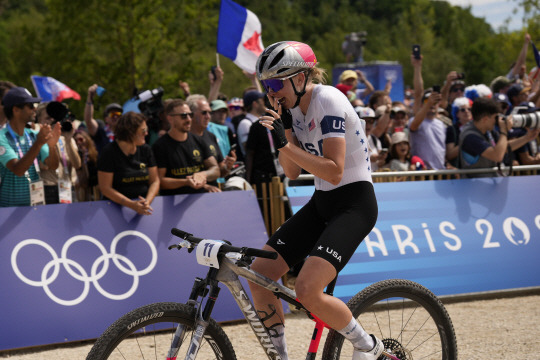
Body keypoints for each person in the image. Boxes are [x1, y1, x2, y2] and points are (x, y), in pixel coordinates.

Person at [249, 41, 382, 360]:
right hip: (322, 203)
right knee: (259, 276)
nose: (270, 91)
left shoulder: (329, 99)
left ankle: (368, 346)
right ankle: (280, 356)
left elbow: (335, 171)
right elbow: (293, 172)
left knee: (307, 290)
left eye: (275, 83)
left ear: (300, 78)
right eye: (265, 85)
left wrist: (285, 141)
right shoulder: (291, 111)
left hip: (354, 204)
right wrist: (282, 136)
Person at [0, 87, 61, 207]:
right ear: (16, 109)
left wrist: (52, 146)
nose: (35, 108)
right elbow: (18, 170)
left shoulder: (34, 135)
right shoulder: (2, 137)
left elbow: (52, 165)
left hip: (34, 208)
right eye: (30, 105)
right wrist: (38, 144)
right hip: (7, 210)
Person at [152, 99, 221, 195]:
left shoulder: (199, 141)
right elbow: (160, 181)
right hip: (173, 202)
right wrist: (186, 182)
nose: (189, 119)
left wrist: (202, 174)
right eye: (183, 116)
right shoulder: (160, 146)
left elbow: (215, 170)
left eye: (190, 115)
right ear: (170, 119)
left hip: (200, 199)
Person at [97, 111, 159, 215]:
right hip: (114, 209)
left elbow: (155, 181)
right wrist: (131, 205)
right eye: (143, 130)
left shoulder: (146, 150)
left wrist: (147, 202)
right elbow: (105, 188)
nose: (146, 133)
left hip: (143, 208)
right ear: (131, 132)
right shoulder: (109, 152)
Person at [458, 97, 537, 178]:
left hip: (488, 182)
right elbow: (497, 156)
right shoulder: (470, 136)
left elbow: (503, 148)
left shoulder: (487, 130)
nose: (497, 120)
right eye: (495, 117)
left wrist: (527, 137)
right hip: (474, 185)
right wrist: (504, 131)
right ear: (485, 119)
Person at [36, 103, 81, 204]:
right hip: (47, 187)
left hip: (67, 187)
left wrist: (69, 140)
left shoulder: (65, 137)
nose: (52, 120)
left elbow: (77, 165)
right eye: (48, 118)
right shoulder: (36, 138)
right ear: (39, 119)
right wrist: (50, 140)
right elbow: (45, 166)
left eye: (54, 118)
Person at [187, 94, 236, 182]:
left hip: (213, 192)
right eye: (204, 113)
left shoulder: (210, 136)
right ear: (191, 114)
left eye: (210, 112)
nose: (208, 116)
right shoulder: (182, 138)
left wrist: (227, 167)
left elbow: (221, 172)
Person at [408, 88, 447, 169]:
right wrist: (428, 104)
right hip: (422, 171)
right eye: (427, 101)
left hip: (440, 172)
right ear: (422, 105)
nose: (432, 104)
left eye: (435, 102)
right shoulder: (415, 121)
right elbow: (414, 126)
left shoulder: (441, 124)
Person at [84, 84, 123, 153]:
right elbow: (88, 120)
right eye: (112, 114)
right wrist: (90, 97)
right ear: (106, 119)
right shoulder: (101, 134)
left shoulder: (126, 134)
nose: (115, 116)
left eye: (118, 114)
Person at [236, 90, 266, 160]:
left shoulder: (261, 120)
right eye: (262, 100)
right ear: (255, 104)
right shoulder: (245, 123)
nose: (264, 102)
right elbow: (248, 149)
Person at [445, 97, 473, 168]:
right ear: (457, 114)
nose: (467, 111)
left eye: (469, 109)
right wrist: (467, 140)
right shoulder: (452, 129)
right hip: (460, 170)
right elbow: (450, 155)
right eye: (463, 110)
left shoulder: (478, 128)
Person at [74, 129, 99, 201]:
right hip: (83, 193)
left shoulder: (96, 153)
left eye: (80, 139)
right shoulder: (76, 156)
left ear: (87, 139)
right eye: (76, 141)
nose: (78, 142)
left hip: (96, 191)